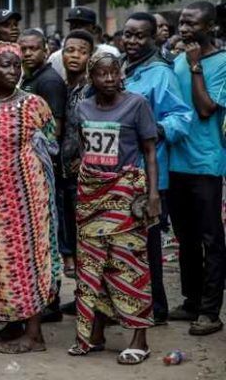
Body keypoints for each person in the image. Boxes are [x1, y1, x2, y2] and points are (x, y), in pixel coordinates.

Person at [69, 52, 160, 365]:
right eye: (101, 74)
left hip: (125, 197)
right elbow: (84, 150)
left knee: (129, 265)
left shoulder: (136, 104)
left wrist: (153, 195)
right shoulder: (82, 108)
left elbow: (149, 152)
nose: (108, 79)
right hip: (91, 198)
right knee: (91, 267)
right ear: (91, 78)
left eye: (113, 73)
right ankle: (95, 333)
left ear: (121, 74)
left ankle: (139, 337)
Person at [0, 42, 58, 354]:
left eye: (16, 65)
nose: (12, 71)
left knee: (27, 260)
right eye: (3, 65)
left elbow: (51, 141)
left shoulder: (33, 104)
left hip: (23, 192)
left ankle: (34, 333)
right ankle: (12, 322)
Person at [121, 12, 192, 325]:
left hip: (148, 173)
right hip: (116, 170)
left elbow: (182, 118)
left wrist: (152, 129)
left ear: (154, 38)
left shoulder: (161, 73)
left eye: (140, 36)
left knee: (147, 243)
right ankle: (125, 302)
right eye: (128, 34)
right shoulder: (122, 67)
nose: (133, 41)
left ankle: (156, 308)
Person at [168, 1, 226, 336]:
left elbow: (206, 109)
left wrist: (195, 67)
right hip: (176, 161)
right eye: (183, 23)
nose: (185, 29)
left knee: (210, 238)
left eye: (192, 24)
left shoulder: (220, 62)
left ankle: (210, 311)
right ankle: (190, 300)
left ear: (210, 26)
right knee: (184, 237)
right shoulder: (176, 60)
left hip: (206, 162)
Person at [18, 28, 66, 323]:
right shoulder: (29, 77)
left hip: (43, 169)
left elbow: (54, 130)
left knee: (47, 236)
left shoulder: (49, 81)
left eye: (33, 49)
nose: (26, 54)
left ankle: (51, 301)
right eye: (22, 49)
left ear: (45, 49)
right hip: (31, 166)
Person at [58, 30, 95, 289]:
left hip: (84, 171)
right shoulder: (62, 86)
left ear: (90, 56)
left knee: (87, 232)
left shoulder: (91, 89)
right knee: (69, 228)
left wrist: (85, 157)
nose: (75, 56)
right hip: (62, 171)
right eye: (70, 50)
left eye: (82, 51)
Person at [48, 7, 120, 80]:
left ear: (94, 29)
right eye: (73, 26)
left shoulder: (110, 53)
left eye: (82, 25)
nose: (77, 29)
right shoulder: (55, 58)